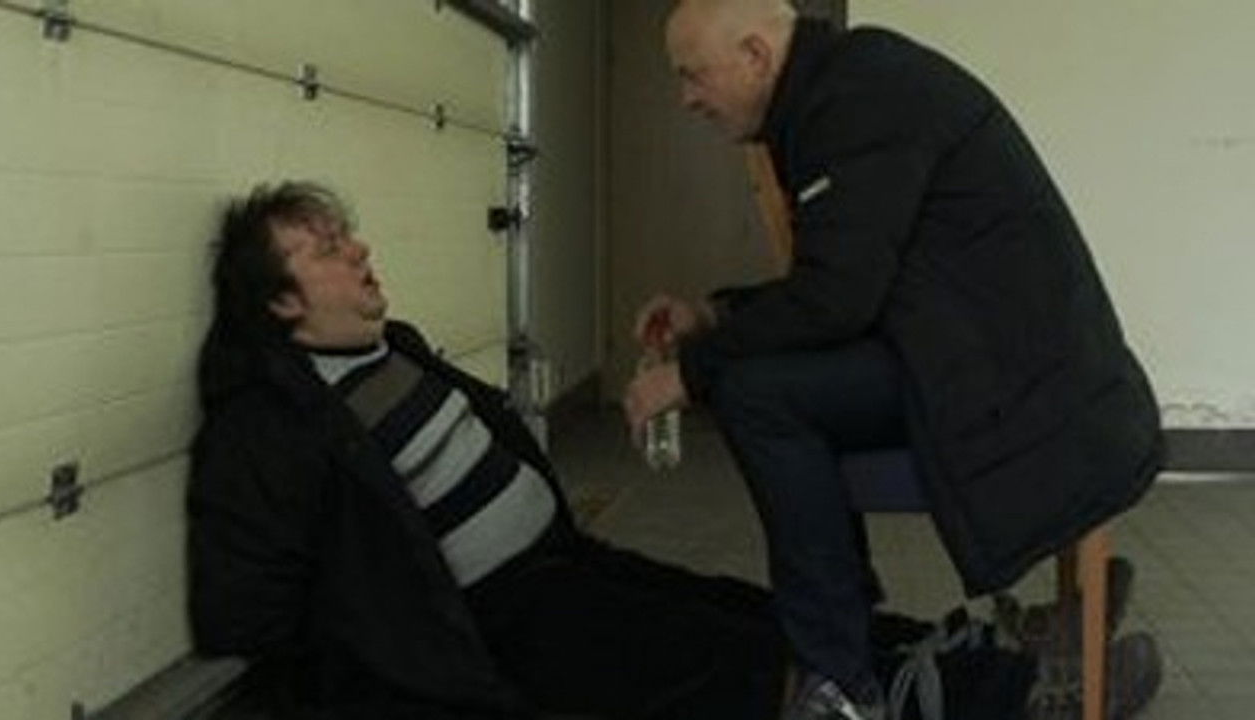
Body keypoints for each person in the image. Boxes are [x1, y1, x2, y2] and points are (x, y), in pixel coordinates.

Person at [622, 1, 1163, 718]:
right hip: (988, 354)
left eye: (693, 75)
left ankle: (838, 678)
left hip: (1011, 381)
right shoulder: (842, 87)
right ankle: (850, 647)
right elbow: (840, 278)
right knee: (756, 382)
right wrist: (713, 315)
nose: (686, 98)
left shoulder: (857, 98)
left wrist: (690, 372)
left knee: (756, 394)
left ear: (755, 55)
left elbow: (837, 301)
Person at [188, 181, 790, 719]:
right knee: (739, 661)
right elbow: (243, 613)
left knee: (763, 615)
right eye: (329, 250)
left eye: (348, 236)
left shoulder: (394, 347)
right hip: (504, 616)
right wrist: (388, 649)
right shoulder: (267, 423)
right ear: (283, 302)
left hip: (561, 557)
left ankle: (845, 664)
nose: (360, 250)